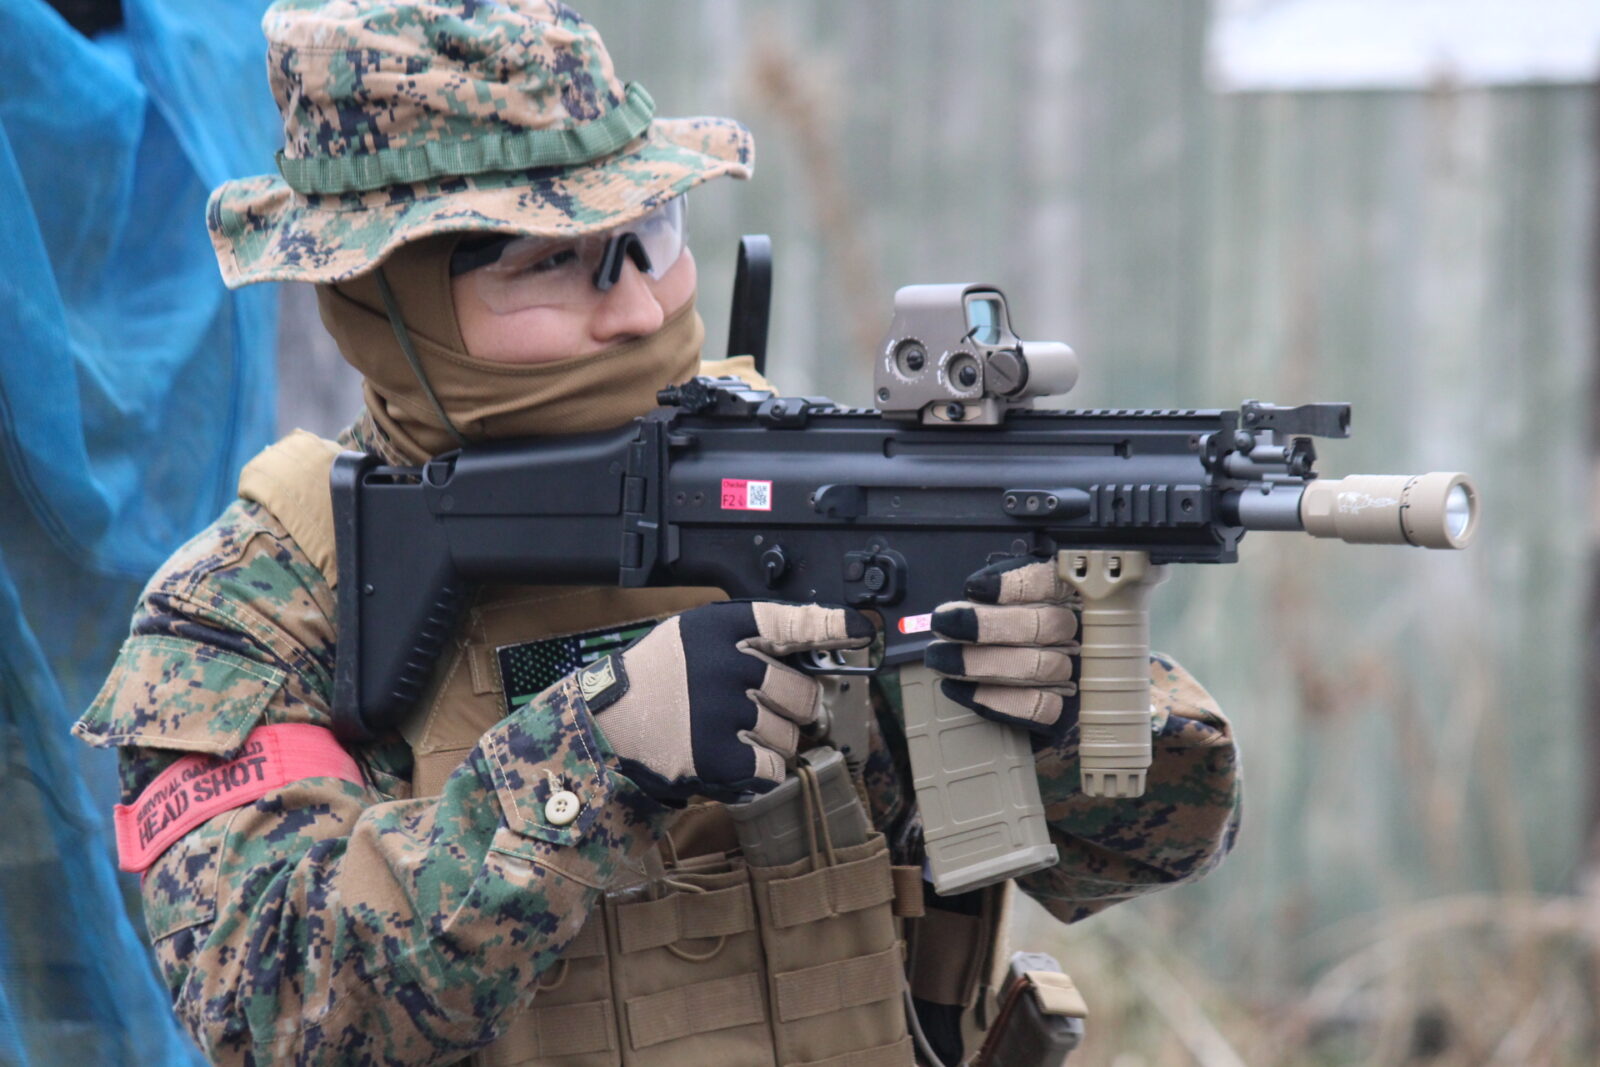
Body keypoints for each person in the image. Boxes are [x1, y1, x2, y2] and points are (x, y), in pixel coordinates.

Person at [74, 2, 1242, 1064]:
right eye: (551, 262)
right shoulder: (256, 609)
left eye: (656, 232)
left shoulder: (806, 487)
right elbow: (276, 1008)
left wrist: (1065, 712)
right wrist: (592, 757)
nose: (638, 305)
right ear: (387, 303)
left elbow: (1161, 841)